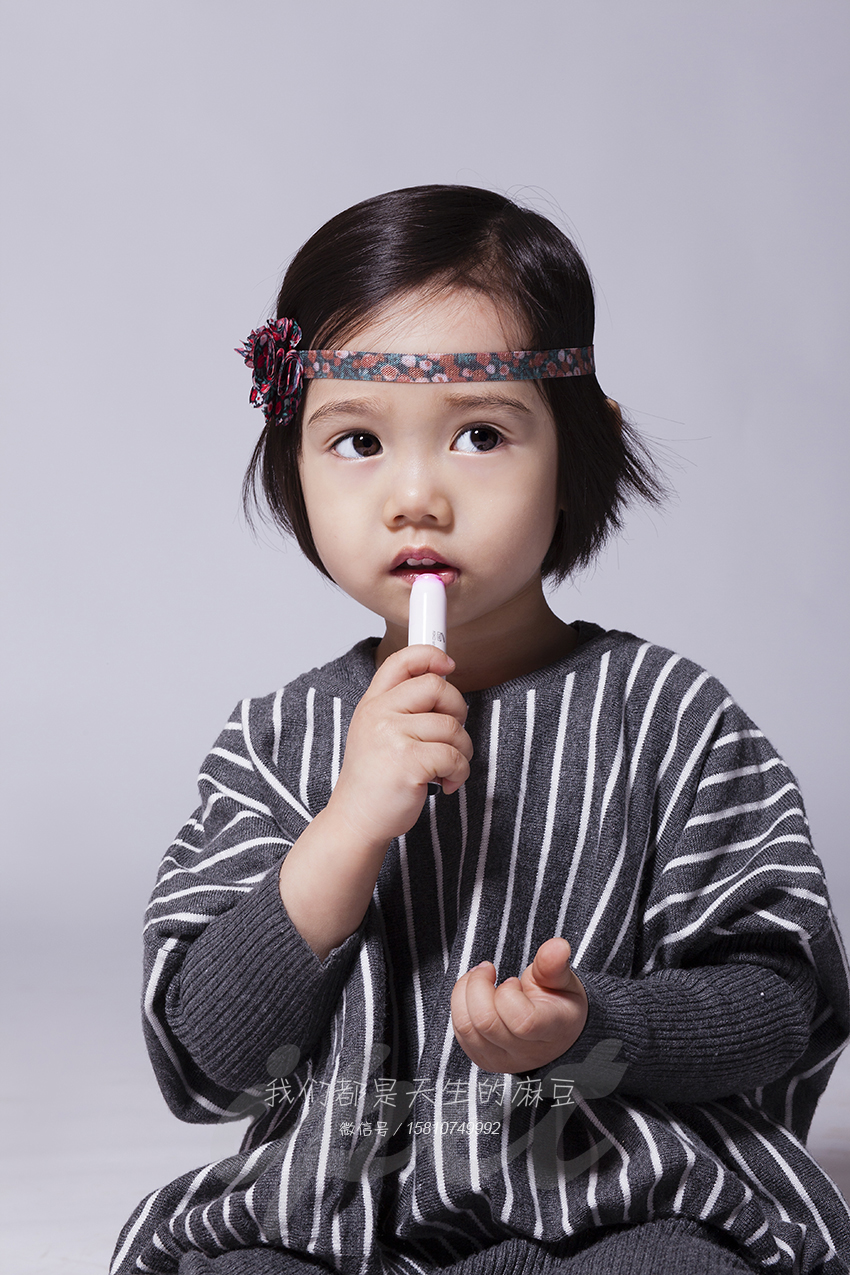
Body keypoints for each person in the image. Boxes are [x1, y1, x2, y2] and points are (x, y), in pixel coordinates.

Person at [111, 186, 850, 1275]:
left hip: (611, 1196)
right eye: (357, 440)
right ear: (293, 465)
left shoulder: (670, 718)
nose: (415, 495)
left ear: (578, 450)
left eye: (479, 434)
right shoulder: (276, 741)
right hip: (332, 1218)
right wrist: (346, 829)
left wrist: (594, 1026)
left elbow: (778, 1006)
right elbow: (209, 1064)